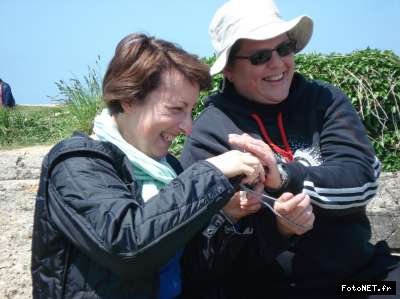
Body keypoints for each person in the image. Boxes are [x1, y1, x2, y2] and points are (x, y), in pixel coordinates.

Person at [179, 0, 400, 298]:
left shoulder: (324, 101)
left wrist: (284, 176)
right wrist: (278, 228)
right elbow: (206, 250)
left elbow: (360, 179)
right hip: (273, 288)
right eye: (259, 57)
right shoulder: (210, 134)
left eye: (284, 49)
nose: (277, 64)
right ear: (229, 69)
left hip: (354, 281)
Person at [30, 33, 271, 299]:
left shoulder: (168, 169)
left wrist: (229, 217)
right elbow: (127, 245)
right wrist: (211, 173)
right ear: (129, 98)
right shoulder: (76, 163)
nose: (188, 127)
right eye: (176, 109)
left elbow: (190, 269)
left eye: (191, 110)